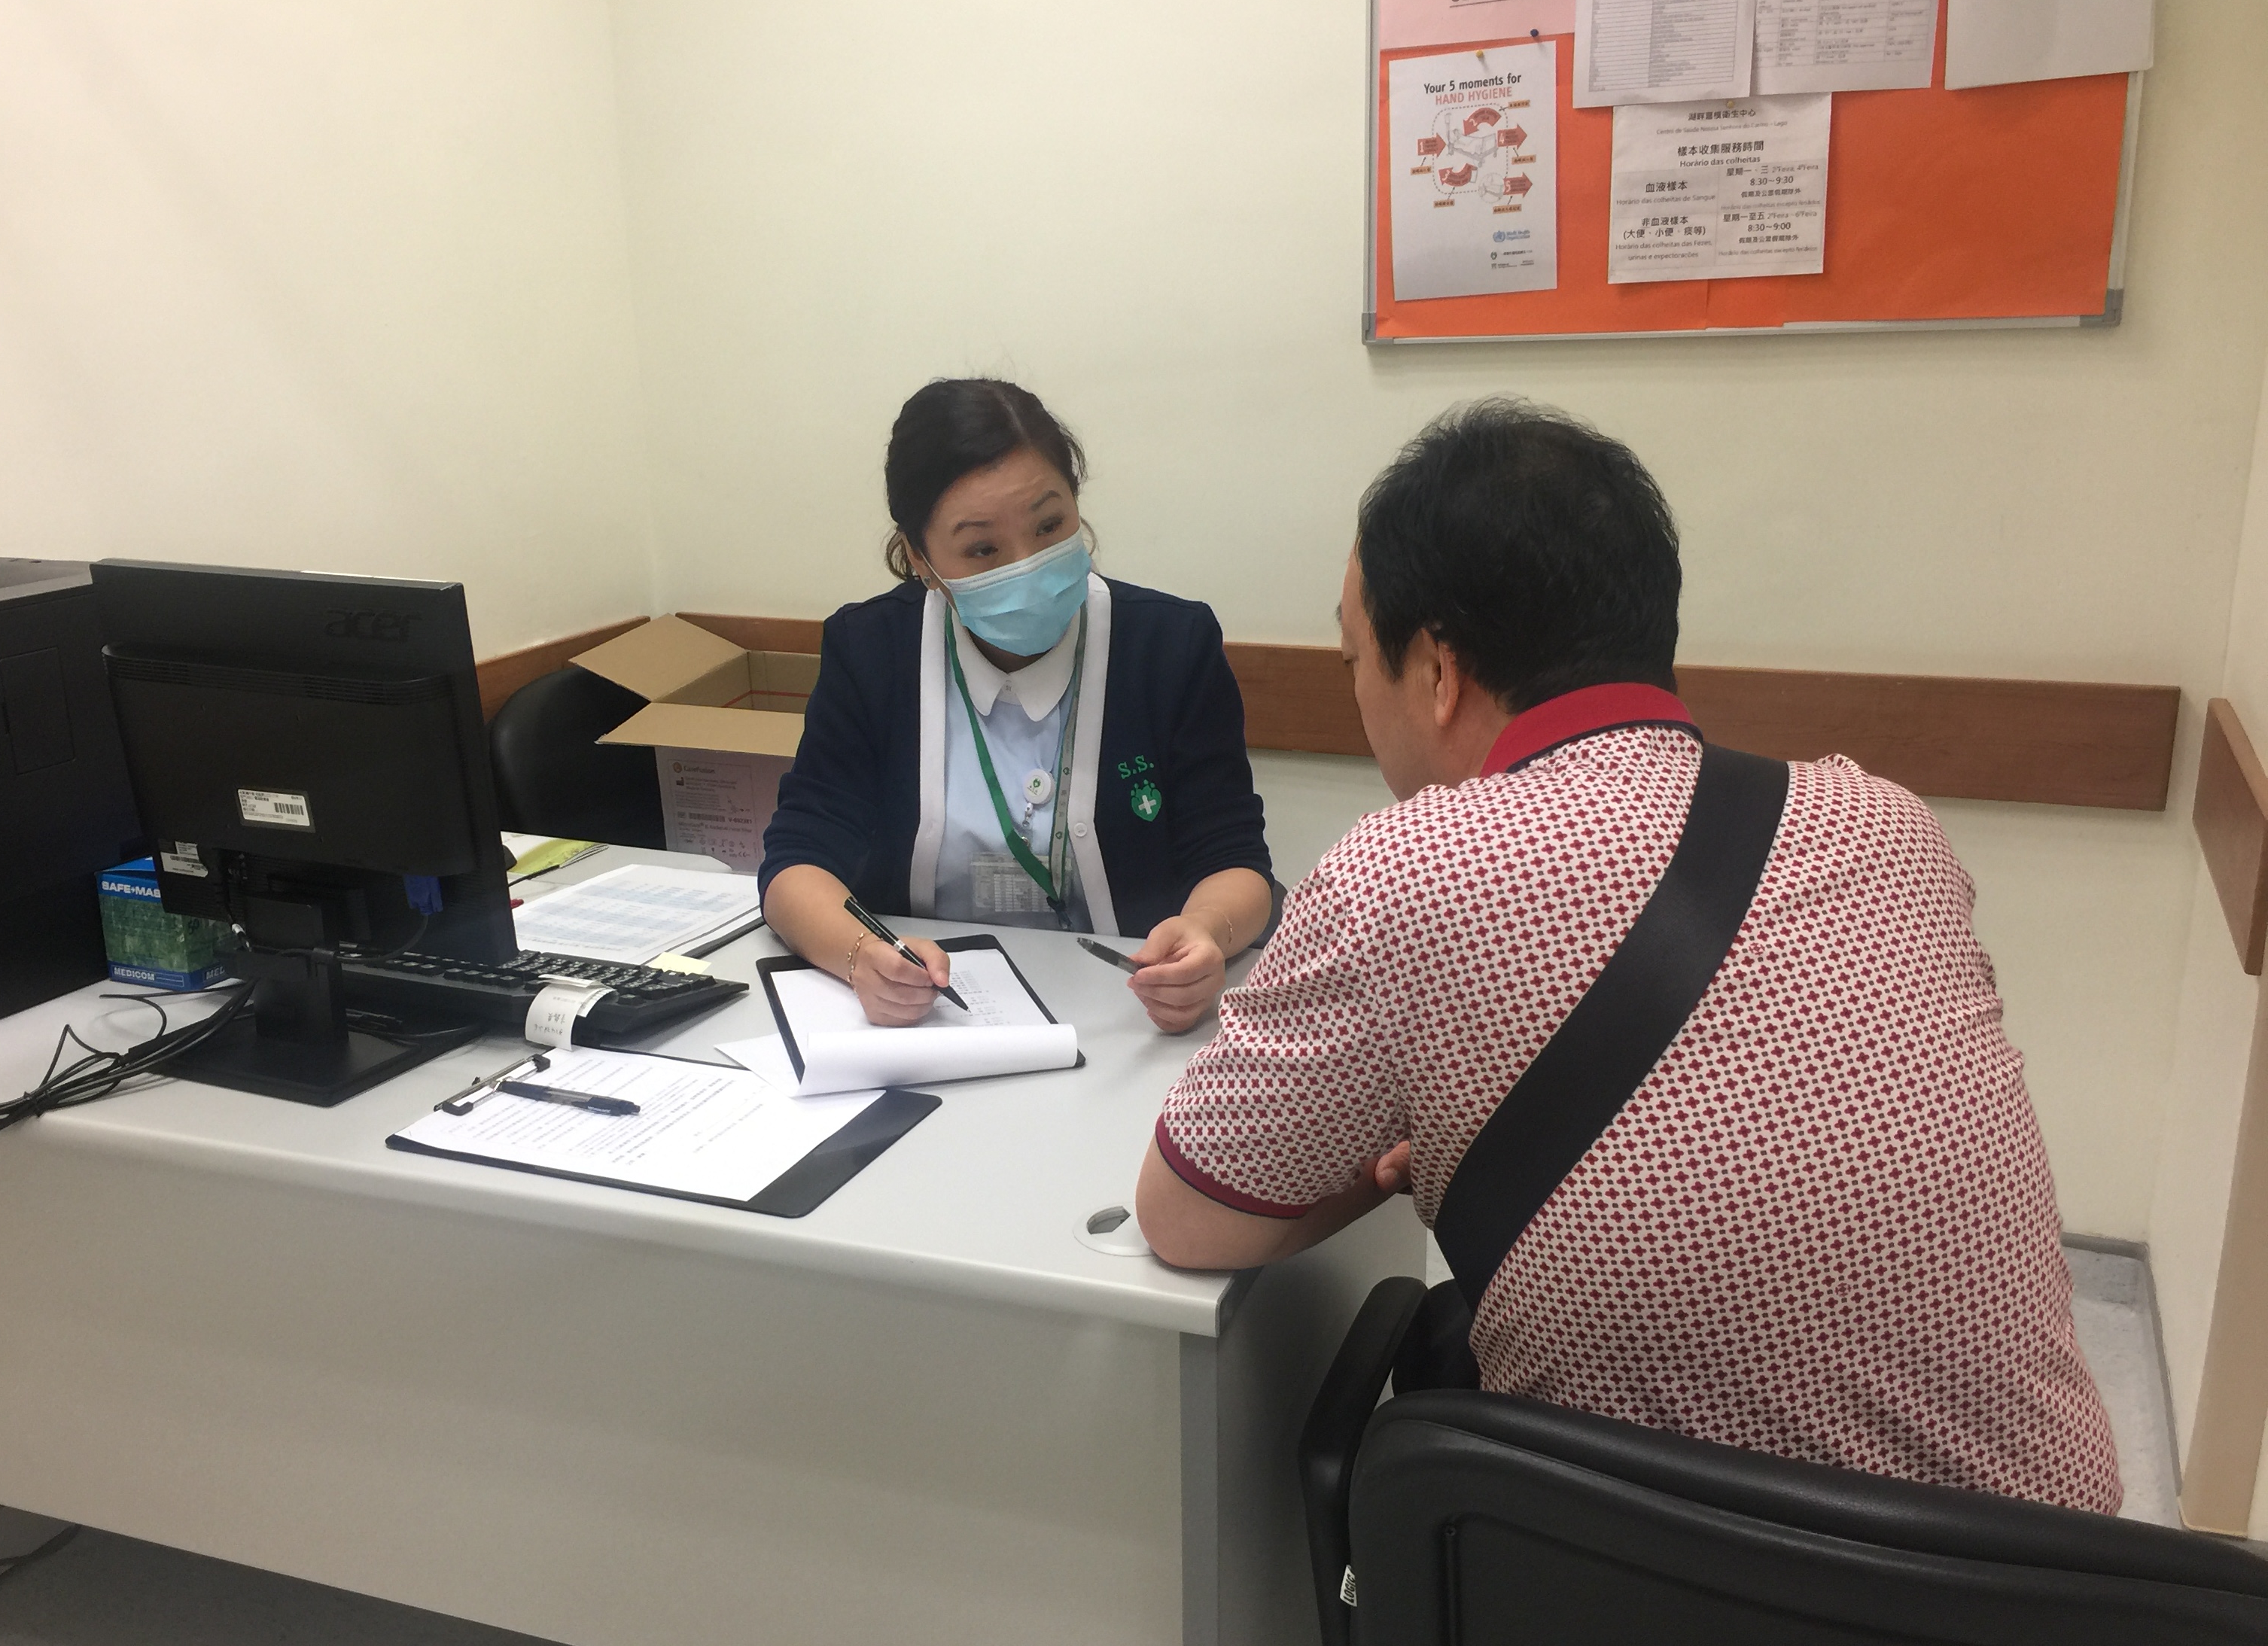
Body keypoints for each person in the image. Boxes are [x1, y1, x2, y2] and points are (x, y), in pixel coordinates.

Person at [1134, 397, 2121, 1513]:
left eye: (1359, 658)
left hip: (1686, 1586)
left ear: (1439, 672)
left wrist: (1403, 1160)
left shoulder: (1403, 873)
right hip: (2066, 1582)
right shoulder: (1886, 824)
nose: (1358, 692)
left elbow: (1185, 1215)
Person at [760, 379, 1275, 1033]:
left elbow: (1234, 860)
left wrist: (1205, 932)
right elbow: (797, 861)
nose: (1027, 565)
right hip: (932, 1020)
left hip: (1128, 1018)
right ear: (920, 558)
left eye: (1049, 525)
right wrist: (863, 955)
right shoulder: (871, 651)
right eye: (982, 549)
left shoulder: (1170, 645)